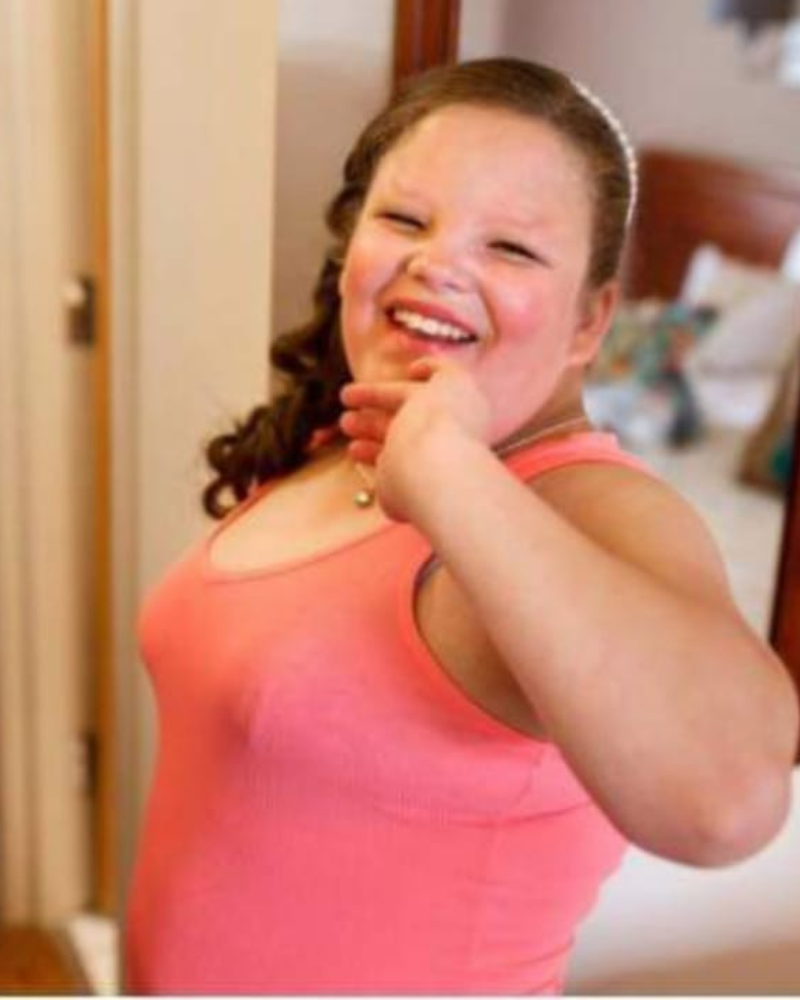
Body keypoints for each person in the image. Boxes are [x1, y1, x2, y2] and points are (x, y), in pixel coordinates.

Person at [125, 58, 799, 994]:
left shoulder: (589, 505)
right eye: (405, 219)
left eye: (512, 249)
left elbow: (728, 804)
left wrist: (452, 477)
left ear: (590, 320)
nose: (436, 263)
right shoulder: (347, 435)